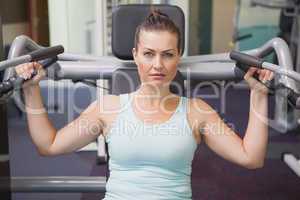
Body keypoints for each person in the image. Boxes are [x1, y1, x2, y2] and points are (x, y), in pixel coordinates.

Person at [15, 10, 274, 200]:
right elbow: (48, 145)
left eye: (167, 54)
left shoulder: (197, 112)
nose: (158, 65)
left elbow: (250, 158)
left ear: (178, 57)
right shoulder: (108, 108)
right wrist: (31, 89)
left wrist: (259, 95)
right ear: (136, 54)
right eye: (149, 54)